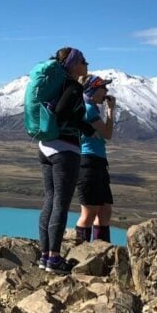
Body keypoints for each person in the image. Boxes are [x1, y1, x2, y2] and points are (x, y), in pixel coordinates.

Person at [32, 47, 95, 274]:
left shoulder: (56, 84)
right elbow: (62, 112)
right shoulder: (72, 86)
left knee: (50, 199)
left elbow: (60, 112)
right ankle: (55, 258)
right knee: (61, 203)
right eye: (83, 61)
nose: (87, 65)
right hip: (64, 150)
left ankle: (44, 256)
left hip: (45, 147)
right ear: (74, 64)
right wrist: (85, 127)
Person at [75, 75, 117, 244]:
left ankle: (101, 252)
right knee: (89, 212)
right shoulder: (89, 109)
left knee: (105, 210)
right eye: (103, 88)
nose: (106, 91)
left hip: (98, 162)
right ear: (93, 90)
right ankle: (81, 253)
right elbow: (107, 134)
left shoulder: (90, 107)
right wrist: (110, 111)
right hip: (88, 163)